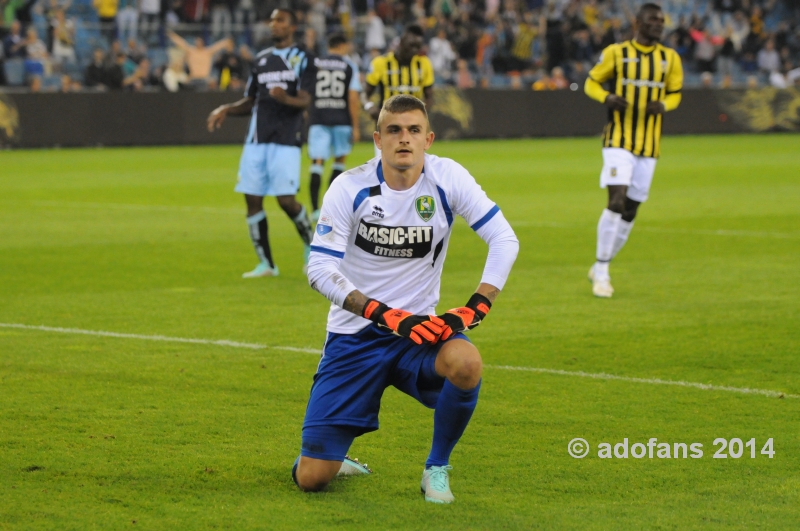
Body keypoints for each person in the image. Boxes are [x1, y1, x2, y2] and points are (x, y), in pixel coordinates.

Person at [295, 95, 519, 503]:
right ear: (378, 139)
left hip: (419, 332)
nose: (405, 139)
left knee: (467, 363)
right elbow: (319, 269)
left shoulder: (448, 178)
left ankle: (436, 467)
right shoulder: (349, 187)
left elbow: (504, 239)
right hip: (354, 336)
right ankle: (329, 456)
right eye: (394, 131)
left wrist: (474, 308)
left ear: (428, 139)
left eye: (414, 130)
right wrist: (386, 314)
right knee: (312, 479)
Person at [206, 9, 316, 278]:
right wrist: (226, 109)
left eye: (280, 20)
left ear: (292, 26)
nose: (273, 25)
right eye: (272, 20)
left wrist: (284, 98)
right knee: (252, 199)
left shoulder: (304, 59)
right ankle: (266, 264)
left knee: (286, 201)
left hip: (286, 140)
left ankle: (312, 248)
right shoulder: (261, 59)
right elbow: (251, 99)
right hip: (256, 140)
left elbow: (305, 99)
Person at [584, 3, 683, 298]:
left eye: (661, 21)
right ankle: (601, 272)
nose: (658, 25)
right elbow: (591, 82)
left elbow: (675, 94)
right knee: (616, 201)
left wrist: (664, 105)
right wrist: (607, 97)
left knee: (631, 209)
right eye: (653, 20)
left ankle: (602, 263)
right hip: (618, 140)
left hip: (649, 146)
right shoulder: (617, 52)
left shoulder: (670, 58)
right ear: (638, 22)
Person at [307, 32, 362, 222]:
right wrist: (355, 126)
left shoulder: (316, 64)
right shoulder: (349, 65)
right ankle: (327, 208)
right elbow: (353, 97)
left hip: (318, 117)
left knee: (317, 163)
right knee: (339, 163)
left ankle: (314, 209)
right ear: (341, 46)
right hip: (341, 119)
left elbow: (306, 92)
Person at [364, 24, 434, 154]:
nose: (414, 50)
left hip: (413, 129)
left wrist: (422, 116)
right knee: (386, 170)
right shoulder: (381, 63)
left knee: (414, 170)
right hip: (388, 127)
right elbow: (365, 93)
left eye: (418, 47)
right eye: (411, 46)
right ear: (401, 42)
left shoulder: (424, 64)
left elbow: (429, 96)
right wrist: (370, 107)